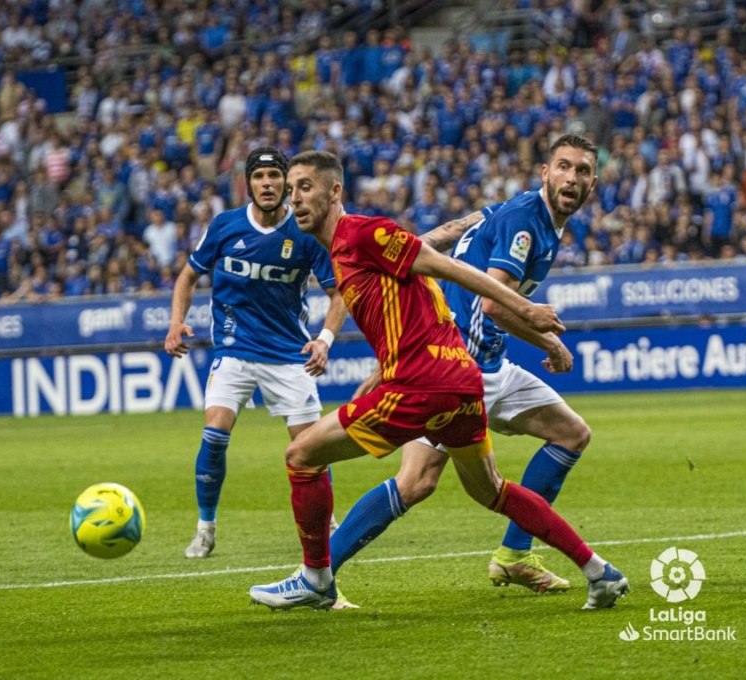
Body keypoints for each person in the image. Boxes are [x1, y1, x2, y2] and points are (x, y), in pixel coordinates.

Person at [248, 150, 629, 611]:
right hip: (462, 381)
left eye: (305, 187)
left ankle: (315, 578)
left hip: (422, 386)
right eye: (291, 191)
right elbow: (427, 277)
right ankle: (598, 572)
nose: (295, 199)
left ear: (334, 191)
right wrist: (380, 371)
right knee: (491, 490)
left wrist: (525, 309)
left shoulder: (362, 233)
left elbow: (445, 266)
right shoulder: (352, 250)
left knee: (302, 454)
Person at [328, 134, 602, 596]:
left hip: (484, 362)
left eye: (581, 170)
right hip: (461, 366)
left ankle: (515, 556)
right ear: (545, 173)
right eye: (563, 166)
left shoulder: (518, 209)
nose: (571, 177)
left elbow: (461, 225)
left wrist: (413, 247)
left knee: (571, 433)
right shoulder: (526, 224)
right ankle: (318, 570)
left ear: (593, 182)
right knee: (415, 482)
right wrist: (549, 342)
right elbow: (497, 304)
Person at [164, 147, 347, 559]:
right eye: (259, 176)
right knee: (214, 435)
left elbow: (339, 295)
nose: (267, 183)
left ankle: (327, 523)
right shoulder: (225, 226)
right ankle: (205, 528)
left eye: (274, 176)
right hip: (235, 351)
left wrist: (324, 340)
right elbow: (188, 276)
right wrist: (176, 322)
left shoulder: (305, 233)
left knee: (312, 448)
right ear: (248, 183)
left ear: (287, 182)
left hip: (288, 355)